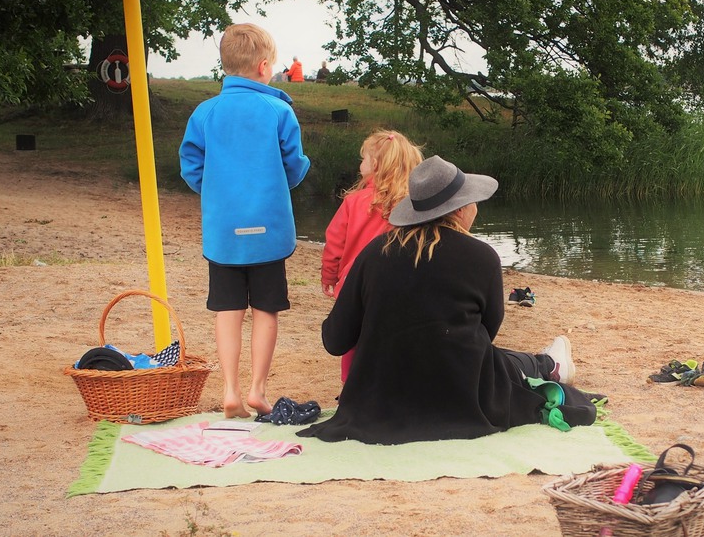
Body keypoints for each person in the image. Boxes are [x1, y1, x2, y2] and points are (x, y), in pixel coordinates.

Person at [297, 156, 595, 444]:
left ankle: (546, 362)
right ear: (459, 210)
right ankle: (547, 364)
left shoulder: (375, 253)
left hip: (381, 398)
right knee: (504, 363)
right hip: (462, 395)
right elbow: (485, 334)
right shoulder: (482, 257)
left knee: (498, 359)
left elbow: (334, 340)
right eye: (472, 200)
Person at [178, 23, 311, 419]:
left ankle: (231, 390)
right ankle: (257, 389)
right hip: (269, 230)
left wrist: (217, 191)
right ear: (264, 66)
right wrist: (274, 186)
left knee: (228, 309)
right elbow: (295, 165)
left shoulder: (205, 112)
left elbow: (190, 166)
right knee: (266, 309)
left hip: (224, 232)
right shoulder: (279, 110)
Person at [321, 129, 423, 382]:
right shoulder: (413, 204)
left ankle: (351, 387)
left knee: (353, 338)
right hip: (399, 284)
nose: (360, 164)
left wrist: (330, 276)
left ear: (375, 164)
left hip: (355, 284)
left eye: (363, 158)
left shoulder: (355, 201)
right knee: (394, 336)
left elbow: (335, 242)